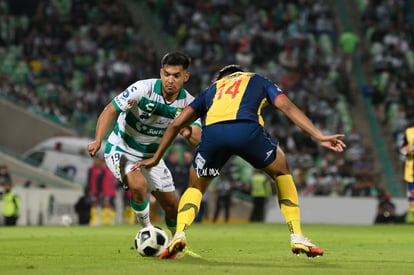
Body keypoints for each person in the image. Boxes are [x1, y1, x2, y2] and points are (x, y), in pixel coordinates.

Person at [135, 64, 346, 259]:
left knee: (196, 186)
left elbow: (175, 125)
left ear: (220, 78)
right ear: (239, 74)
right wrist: (318, 135)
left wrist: (156, 157)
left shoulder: (211, 90)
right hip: (247, 131)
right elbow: (287, 106)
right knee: (281, 171)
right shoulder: (257, 79)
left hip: (214, 135)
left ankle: (179, 234)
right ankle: (297, 236)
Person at [87, 51, 201, 237]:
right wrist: (98, 139)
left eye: (176, 75)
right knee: (138, 184)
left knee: (172, 205)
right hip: (121, 148)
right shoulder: (142, 89)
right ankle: (147, 231)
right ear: (161, 73)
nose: (170, 80)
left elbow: (196, 137)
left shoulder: (189, 104)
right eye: (166, 74)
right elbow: (110, 110)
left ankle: (178, 242)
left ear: (185, 77)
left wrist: (188, 132)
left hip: (151, 157)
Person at [400, 124, 414, 224]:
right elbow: (402, 148)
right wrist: (405, 150)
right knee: (412, 197)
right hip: (411, 169)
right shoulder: (409, 131)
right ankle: (412, 215)